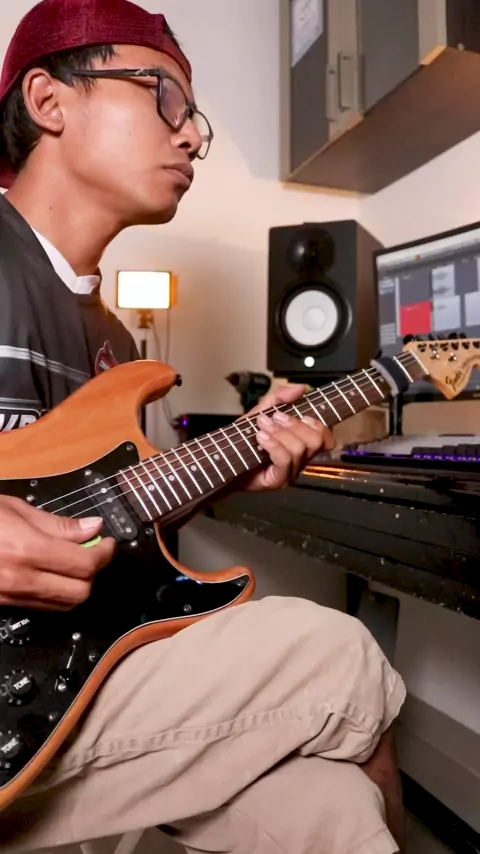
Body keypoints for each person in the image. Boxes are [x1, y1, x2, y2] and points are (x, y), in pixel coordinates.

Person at [0, 1, 406, 851]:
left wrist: (231, 466)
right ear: (48, 100)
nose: (191, 137)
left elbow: (97, 515)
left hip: (61, 675)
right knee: (340, 655)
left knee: (332, 808)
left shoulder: (116, 346)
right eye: (165, 97)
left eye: (196, 120)